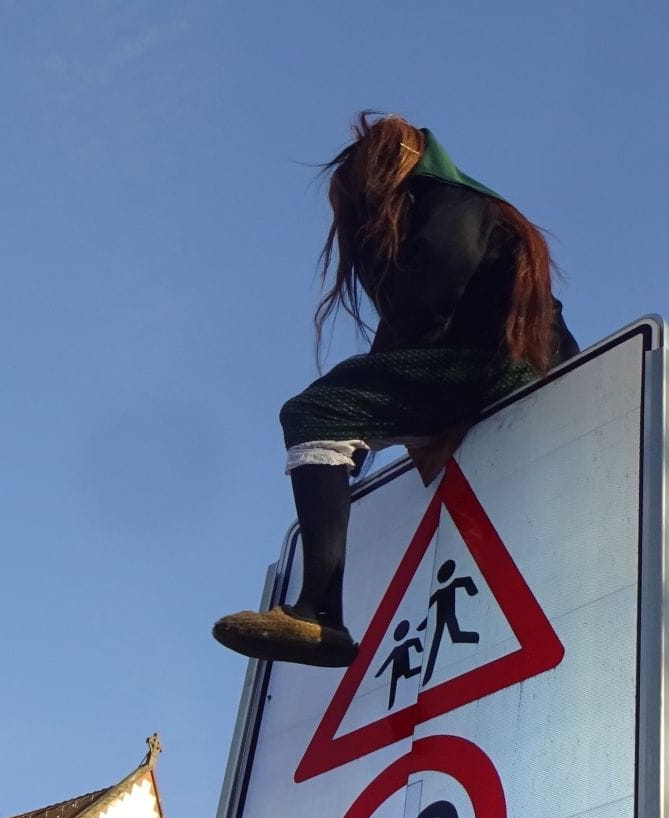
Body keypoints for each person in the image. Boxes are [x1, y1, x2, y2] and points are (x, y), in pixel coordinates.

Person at [212, 113, 580, 668]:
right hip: (515, 372)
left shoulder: (450, 203)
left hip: (501, 371)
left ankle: (318, 613)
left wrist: (371, 408)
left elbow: (426, 301)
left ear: (387, 171)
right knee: (341, 408)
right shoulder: (467, 208)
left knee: (317, 411)